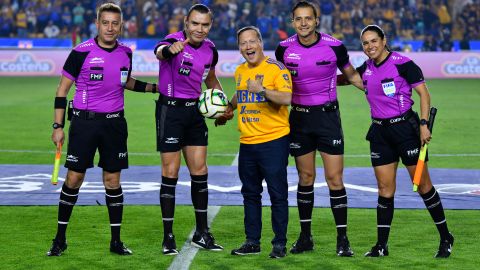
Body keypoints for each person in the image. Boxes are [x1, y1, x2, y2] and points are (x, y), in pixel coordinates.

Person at [47, 3, 158, 256]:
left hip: (115, 124)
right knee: (74, 179)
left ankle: (116, 241)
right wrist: (57, 126)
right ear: (97, 24)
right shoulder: (80, 52)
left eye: (115, 23)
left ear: (121, 26)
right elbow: (62, 90)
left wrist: (153, 87)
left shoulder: (126, 53)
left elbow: (124, 81)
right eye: (105, 22)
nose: (110, 27)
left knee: (112, 181)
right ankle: (60, 239)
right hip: (84, 124)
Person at [353, 24, 454, 258]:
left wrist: (424, 124)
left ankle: (446, 237)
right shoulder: (366, 68)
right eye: (365, 43)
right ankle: (381, 246)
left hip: (406, 131)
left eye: (373, 41)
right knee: (384, 190)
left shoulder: (403, 63)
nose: (370, 46)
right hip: (379, 133)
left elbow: (424, 94)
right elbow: (348, 80)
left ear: (383, 40)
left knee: (424, 187)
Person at [274, 1, 363, 256]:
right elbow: (278, 82)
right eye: (298, 19)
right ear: (293, 22)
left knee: (335, 179)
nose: (303, 23)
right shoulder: (283, 49)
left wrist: (372, 90)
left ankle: (342, 239)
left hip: (327, 119)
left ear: (316, 21)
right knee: (306, 178)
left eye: (308, 18)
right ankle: (305, 237)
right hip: (299, 120)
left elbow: (352, 75)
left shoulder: (334, 46)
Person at [153, 4, 224, 255]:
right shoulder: (174, 40)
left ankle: (202, 233)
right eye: (195, 23)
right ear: (186, 22)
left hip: (195, 113)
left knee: (200, 171)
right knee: (170, 172)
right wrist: (169, 50)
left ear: (210, 25)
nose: (200, 29)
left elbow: (210, 78)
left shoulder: (210, 50)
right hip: (170, 112)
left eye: (205, 25)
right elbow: (160, 52)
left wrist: (222, 102)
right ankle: (168, 236)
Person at [216, 26, 292, 259]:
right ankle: (252, 242)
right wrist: (229, 109)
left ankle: (279, 244)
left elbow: (287, 98)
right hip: (247, 142)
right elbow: (241, 93)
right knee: (250, 194)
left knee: (278, 194)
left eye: (252, 42)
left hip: (274, 140)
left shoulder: (276, 69)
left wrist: (263, 90)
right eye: (243, 43)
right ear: (239, 47)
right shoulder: (240, 70)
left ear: (260, 42)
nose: (248, 47)